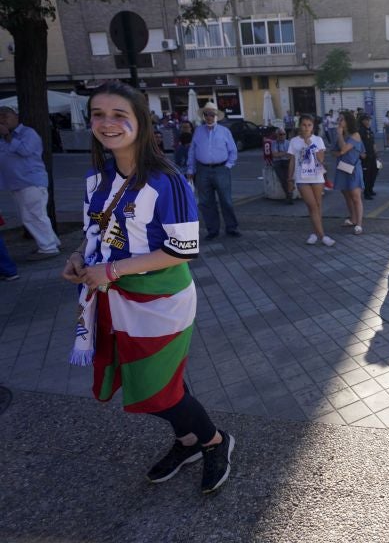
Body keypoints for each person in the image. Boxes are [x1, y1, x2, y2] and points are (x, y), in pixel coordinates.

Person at [61, 80, 234, 495]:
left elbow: (183, 250)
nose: (107, 123)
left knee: (156, 387)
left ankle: (214, 440)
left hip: (160, 300)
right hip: (112, 298)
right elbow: (98, 232)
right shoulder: (95, 179)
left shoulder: (166, 181)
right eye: (99, 114)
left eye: (119, 114)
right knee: (158, 380)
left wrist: (113, 272)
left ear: (140, 120)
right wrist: (79, 258)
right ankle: (188, 441)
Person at [0, 105, 62, 260]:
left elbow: (25, 151)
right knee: (31, 215)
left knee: (33, 215)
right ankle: (51, 242)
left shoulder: (28, 133)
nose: (2, 120)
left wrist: (8, 136)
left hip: (30, 181)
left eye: (5, 116)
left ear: (15, 117)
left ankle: (48, 247)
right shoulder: (2, 139)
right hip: (17, 183)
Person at [186, 102, 240, 240]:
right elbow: (192, 151)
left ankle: (231, 228)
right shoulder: (198, 131)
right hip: (202, 170)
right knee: (205, 202)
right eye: (206, 114)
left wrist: (228, 165)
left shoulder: (224, 131)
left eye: (212, 114)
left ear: (216, 116)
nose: (209, 117)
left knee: (226, 200)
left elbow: (233, 150)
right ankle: (212, 230)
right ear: (204, 116)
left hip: (221, 169)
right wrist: (190, 169)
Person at [288, 114, 334, 246]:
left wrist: (310, 144)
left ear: (313, 126)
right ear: (300, 126)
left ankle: (314, 233)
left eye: (309, 125)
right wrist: (289, 179)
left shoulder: (318, 140)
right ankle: (323, 236)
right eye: (304, 125)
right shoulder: (294, 141)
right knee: (313, 206)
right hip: (302, 178)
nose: (306, 128)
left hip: (317, 176)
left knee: (316, 207)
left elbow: (321, 159)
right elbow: (292, 161)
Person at [332, 110, 364, 235]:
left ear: (348, 121)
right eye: (338, 119)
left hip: (353, 169)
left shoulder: (355, 135)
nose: (339, 122)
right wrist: (340, 151)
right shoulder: (342, 135)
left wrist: (340, 136)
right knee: (347, 196)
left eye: (341, 119)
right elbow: (334, 151)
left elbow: (344, 149)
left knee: (356, 197)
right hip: (342, 168)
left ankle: (359, 224)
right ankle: (353, 218)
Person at [269, 127, 294, 205]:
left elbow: (290, 155)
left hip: (286, 161)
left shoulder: (288, 142)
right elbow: (275, 155)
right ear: (277, 135)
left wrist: (281, 153)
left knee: (288, 178)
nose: (282, 135)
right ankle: (289, 195)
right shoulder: (274, 143)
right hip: (278, 162)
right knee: (282, 178)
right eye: (280, 134)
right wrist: (285, 153)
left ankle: (289, 195)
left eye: (284, 134)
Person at [359, 114, 378, 200]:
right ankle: (366, 192)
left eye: (369, 120)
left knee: (373, 173)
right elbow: (358, 144)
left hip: (372, 155)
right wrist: (361, 153)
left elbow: (373, 142)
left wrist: (376, 153)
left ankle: (370, 189)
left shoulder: (369, 130)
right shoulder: (360, 131)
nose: (369, 121)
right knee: (366, 175)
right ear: (363, 121)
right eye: (367, 120)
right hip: (365, 156)